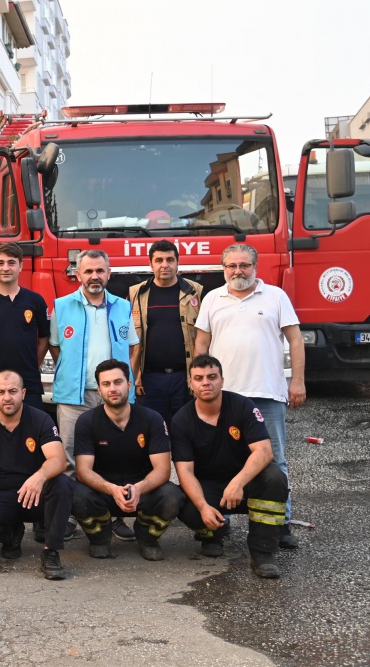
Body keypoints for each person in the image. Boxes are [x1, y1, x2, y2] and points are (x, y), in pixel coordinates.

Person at [194, 243, 305, 549]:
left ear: (255, 267)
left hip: (266, 393)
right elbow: (201, 344)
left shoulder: (276, 297)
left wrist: (297, 381)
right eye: (231, 266)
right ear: (223, 268)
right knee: (222, 460)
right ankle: (221, 522)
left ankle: (280, 524)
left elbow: (296, 340)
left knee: (275, 460)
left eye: (244, 265)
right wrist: (199, 385)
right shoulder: (212, 299)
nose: (238, 271)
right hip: (223, 397)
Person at [172, 355, 290, 579]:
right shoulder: (181, 419)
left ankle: (263, 552)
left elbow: (264, 451)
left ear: (222, 380)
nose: (206, 383)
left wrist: (238, 483)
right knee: (182, 503)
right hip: (208, 486)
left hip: (245, 481)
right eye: (199, 378)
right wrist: (203, 507)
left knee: (274, 478)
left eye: (212, 377)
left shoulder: (243, 406)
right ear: (190, 384)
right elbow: (184, 471)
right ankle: (212, 535)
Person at [0, 370, 73, 580]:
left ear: (23, 393)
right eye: (1, 392)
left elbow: (58, 460)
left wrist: (39, 477)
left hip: (35, 494)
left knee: (62, 484)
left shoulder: (40, 419)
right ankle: (11, 534)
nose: (7, 397)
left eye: (13, 391)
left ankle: (51, 551)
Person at [72, 360, 186, 561]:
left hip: (142, 487)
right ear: (99, 390)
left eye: (118, 382)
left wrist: (139, 488)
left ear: (129, 384)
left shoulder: (152, 419)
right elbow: (83, 471)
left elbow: (163, 469)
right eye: (106, 384)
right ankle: (100, 537)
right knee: (74, 494)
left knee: (172, 496)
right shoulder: (87, 421)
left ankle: (147, 537)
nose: (113, 388)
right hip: (103, 490)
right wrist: (111, 489)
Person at [48, 249, 139, 471]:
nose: (94, 276)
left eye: (100, 270)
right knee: (70, 455)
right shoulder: (62, 306)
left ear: (109, 273)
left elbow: (131, 347)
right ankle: (73, 494)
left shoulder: (123, 306)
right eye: (88, 271)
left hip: (113, 393)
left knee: (115, 452)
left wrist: (123, 382)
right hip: (73, 395)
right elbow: (55, 346)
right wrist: (72, 371)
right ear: (78, 274)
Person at [0, 242, 51, 415]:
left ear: (20, 266)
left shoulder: (35, 301)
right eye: (0, 263)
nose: (6, 268)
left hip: (29, 383)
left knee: (32, 429)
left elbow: (44, 339)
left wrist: (33, 363)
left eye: (11, 263)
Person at [128, 239, 203, 422]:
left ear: (178, 262)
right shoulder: (135, 294)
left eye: (170, 260)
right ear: (150, 264)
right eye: (159, 260)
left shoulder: (196, 292)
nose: (164, 265)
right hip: (149, 379)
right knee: (153, 430)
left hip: (185, 378)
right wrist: (134, 377)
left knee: (185, 429)